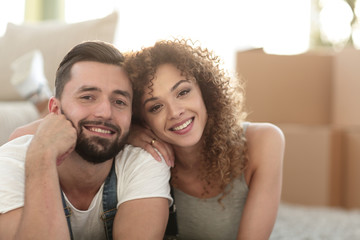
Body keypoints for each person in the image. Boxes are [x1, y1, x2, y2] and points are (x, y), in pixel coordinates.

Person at [0, 41, 172, 240]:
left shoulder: (145, 159)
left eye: (119, 102)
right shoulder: (12, 163)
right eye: (88, 97)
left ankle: (37, 91)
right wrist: (42, 158)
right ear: (54, 110)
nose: (105, 112)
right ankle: (37, 92)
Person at [123, 39, 285, 240]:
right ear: (143, 119)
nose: (175, 112)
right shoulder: (142, 158)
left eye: (183, 92)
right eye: (156, 107)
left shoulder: (264, 141)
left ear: (205, 91)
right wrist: (126, 134)